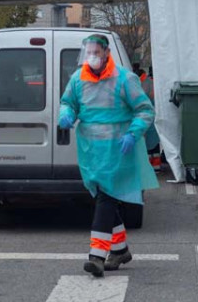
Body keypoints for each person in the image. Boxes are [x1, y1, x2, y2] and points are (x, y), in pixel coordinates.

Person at [59, 34, 158, 277]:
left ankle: (97, 256)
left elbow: (145, 110)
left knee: (105, 200)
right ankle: (121, 250)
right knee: (105, 199)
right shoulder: (78, 78)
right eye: (88, 52)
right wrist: (67, 113)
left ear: (106, 53)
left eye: (96, 52)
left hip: (119, 152)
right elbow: (68, 102)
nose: (91, 56)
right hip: (91, 153)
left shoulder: (124, 79)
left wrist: (133, 134)